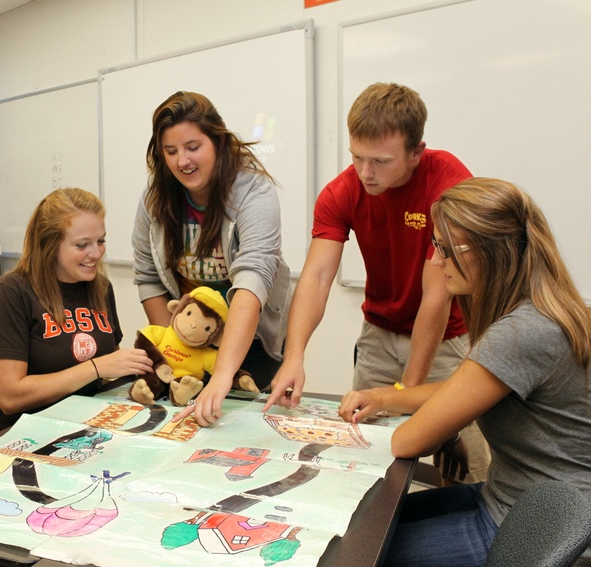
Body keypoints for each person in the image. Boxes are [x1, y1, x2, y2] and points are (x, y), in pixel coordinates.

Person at [337, 177, 591, 566]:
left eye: (445, 249)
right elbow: (465, 388)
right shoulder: (534, 308)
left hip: (532, 524)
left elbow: (408, 443)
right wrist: (386, 396)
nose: (436, 261)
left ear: (490, 253)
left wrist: (426, 421)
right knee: (360, 521)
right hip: (512, 497)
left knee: (352, 555)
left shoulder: (522, 332)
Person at [263, 82, 487, 481]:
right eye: (357, 157)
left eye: (380, 161)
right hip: (379, 334)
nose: (365, 173)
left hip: (447, 338)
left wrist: (406, 394)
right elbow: (315, 277)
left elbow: (437, 296)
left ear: (416, 152)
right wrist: (294, 354)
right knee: (363, 456)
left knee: (465, 468)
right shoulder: (342, 192)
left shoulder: (448, 184)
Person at [133, 91, 291, 427]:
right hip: (188, 338)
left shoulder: (253, 191)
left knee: (238, 429)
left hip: (249, 343)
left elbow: (252, 281)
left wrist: (222, 374)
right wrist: (174, 349)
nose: (182, 161)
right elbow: (147, 276)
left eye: (193, 147)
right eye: (171, 151)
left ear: (218, 142)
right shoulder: (155, 198)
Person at [0, 188, 153, 435]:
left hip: (87, 426)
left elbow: (108, 370)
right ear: (50, 246)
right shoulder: (11, 293)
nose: (95, 253)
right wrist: (95, 367)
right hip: (24, 435)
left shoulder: (101, 288)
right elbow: (10, 397)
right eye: (82, 245)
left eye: (101, 241)